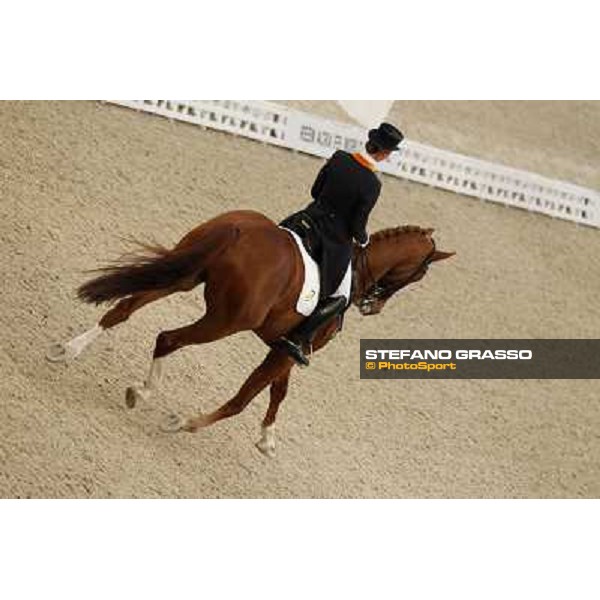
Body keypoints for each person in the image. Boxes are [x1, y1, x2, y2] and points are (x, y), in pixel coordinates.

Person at [277, 122, 404, 366]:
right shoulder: (372, 185)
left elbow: (315, 191)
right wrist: (365, 239)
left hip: (306, 219)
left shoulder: (339, 158)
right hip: (333, 239)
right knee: (341, 295)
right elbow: (357, 225)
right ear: (386, 153)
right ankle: (296, 338)